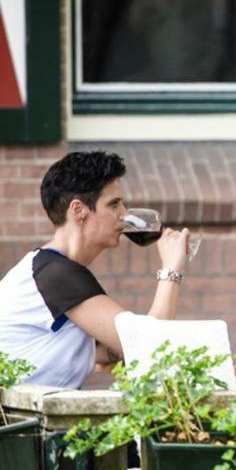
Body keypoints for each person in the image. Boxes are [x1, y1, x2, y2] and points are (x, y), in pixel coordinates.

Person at [0, 151, 192, 389]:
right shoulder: (55, 274)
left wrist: (121, 348)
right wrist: (171, 269)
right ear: (79, 210)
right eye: (114, 205)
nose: (124, 214)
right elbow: (151, 345)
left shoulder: (51, 268)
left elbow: (102, 353)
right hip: (16, 424)